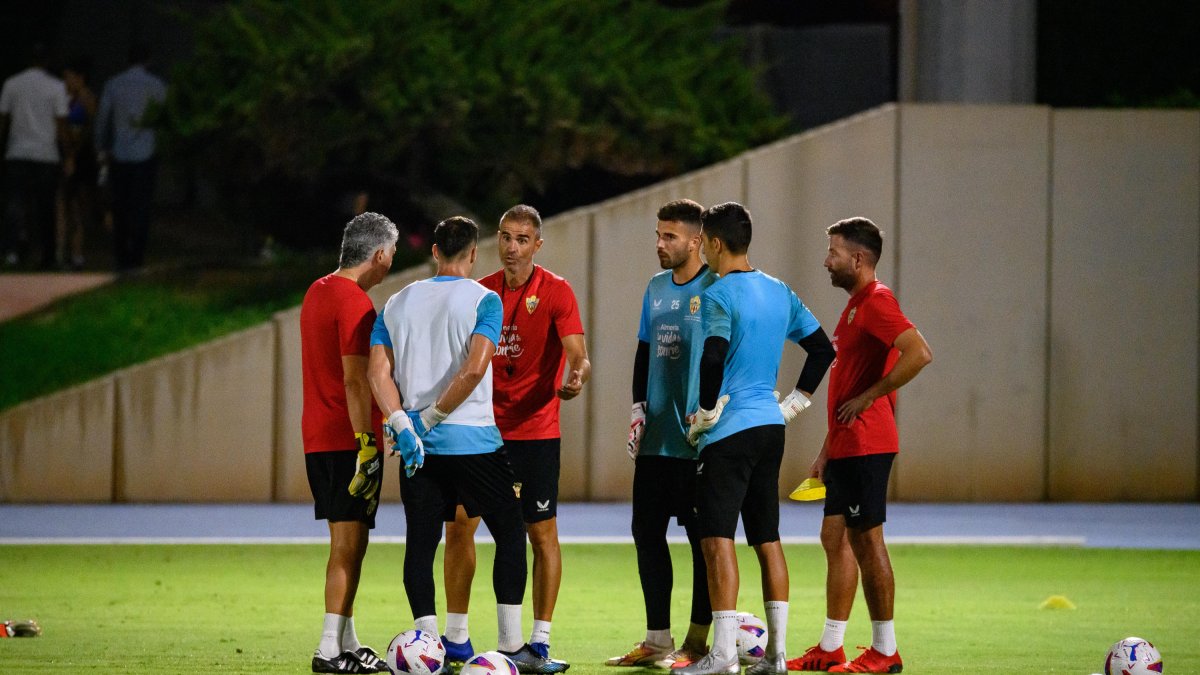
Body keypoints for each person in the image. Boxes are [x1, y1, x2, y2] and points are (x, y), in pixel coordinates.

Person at [366, 216, 541, 671]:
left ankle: (429, 650)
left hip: (416, 450)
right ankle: (510, 645)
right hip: (474, 441)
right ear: (474, 254)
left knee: (420, 545)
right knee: (510, 534)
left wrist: (404, 424)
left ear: (435, 253)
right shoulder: (485, 299)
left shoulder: (397, 301)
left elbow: (377, 373)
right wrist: (431, 419)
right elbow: (475, 369)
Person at [677, 202, 835, 675]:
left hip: (729, 431)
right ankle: (778, 657)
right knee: (767, 537)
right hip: (770, 426)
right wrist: (797, 402)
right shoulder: (779, 290)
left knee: (716, 539)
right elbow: (822, 349)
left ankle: (723, 656)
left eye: (705, 240)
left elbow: (713, 358)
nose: (703, 248)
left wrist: (704, 414)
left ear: (717, 243)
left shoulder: (719, 295)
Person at [441, 204, 590, 673]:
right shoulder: (479, 292)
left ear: (537, 245)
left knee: (540, 533)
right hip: (482, 432)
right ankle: (457, 637)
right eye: (505, 237)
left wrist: (576, 376)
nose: (511, 247)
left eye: (522, 239)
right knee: (459, 526)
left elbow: (578, 355)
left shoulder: (557, 291)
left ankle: (538, 643)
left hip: (535, 433)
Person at [787, 217, 931, 674]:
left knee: (867, 540)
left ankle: (886, 652)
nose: (826, 260)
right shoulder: (853, 308)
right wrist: (826, 450)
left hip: (869, 442)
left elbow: (919, 352)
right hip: (847, 444)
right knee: (835, 537)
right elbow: (846, 382)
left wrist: (872, 396)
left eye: (833, 252)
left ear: (859, 258)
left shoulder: (877, 301)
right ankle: (831, 647)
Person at [607, 199, 715, 669]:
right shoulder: (654, 288)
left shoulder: (718, 288)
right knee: (646, 535)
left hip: (698, 444)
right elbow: (643, 352)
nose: (660, 244)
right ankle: (657, 640)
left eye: (669, 236)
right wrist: (637, 409)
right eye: (658, 235)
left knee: (703, 545)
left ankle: (696, 643)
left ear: (696, 241)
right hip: (655, 441)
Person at [300, 212, 398, 674]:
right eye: (392, 255)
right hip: (347, 439)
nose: (391, 264)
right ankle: (327, 650)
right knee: (348, 546)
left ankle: (347, 641)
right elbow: (356, 381)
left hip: (318, 437)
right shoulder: (355, 302)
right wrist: (366, 445)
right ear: (378, 254)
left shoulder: (316, 291)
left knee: (347, 543)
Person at [94, 42, 166, 272]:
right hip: (146, 153)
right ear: (148, 60)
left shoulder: (113, 84)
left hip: (120, 154)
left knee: (120, 205)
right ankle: (137, 255)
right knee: (142, 206)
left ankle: (121, 254)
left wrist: (101, 148)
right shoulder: (157, 86)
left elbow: (103, 119)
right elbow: (164, 119)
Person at [0, 43, 69, 268]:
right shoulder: (56, 87)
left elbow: (4, 119)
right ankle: (47, 255)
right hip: (45, 153)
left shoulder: (12, 84)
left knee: (15, 204)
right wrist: (67, 153)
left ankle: (12, 250)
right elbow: (61, 123)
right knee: (45, 207)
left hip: (17, 151)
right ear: (47, 61)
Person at [58, 56, 98, 270]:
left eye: (68, 77)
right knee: (63, 205)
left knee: (78, 207)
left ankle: (77, 254)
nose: (65, 81)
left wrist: (74, 154)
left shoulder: (86, 98)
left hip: (81, 158)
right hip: (65, 154)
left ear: (79, 77)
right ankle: (62, 252)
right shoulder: (64, 97)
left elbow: (89, 130)